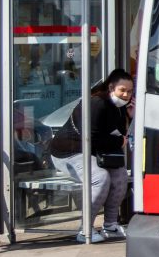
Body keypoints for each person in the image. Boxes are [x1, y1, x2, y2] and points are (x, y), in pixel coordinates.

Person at [48, 69, 134, 241]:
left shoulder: (118, 108)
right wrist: (118, 142)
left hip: (93, 152)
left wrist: (129, 117)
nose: (126, 95)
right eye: (122, 90)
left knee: (120, 176)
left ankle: (110, 225)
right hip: (69, 152)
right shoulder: (96, 103)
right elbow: (92, 138)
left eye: (129, 91)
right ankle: (85, 229)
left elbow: (118, 134)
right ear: (111, 88)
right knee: (100, 178)